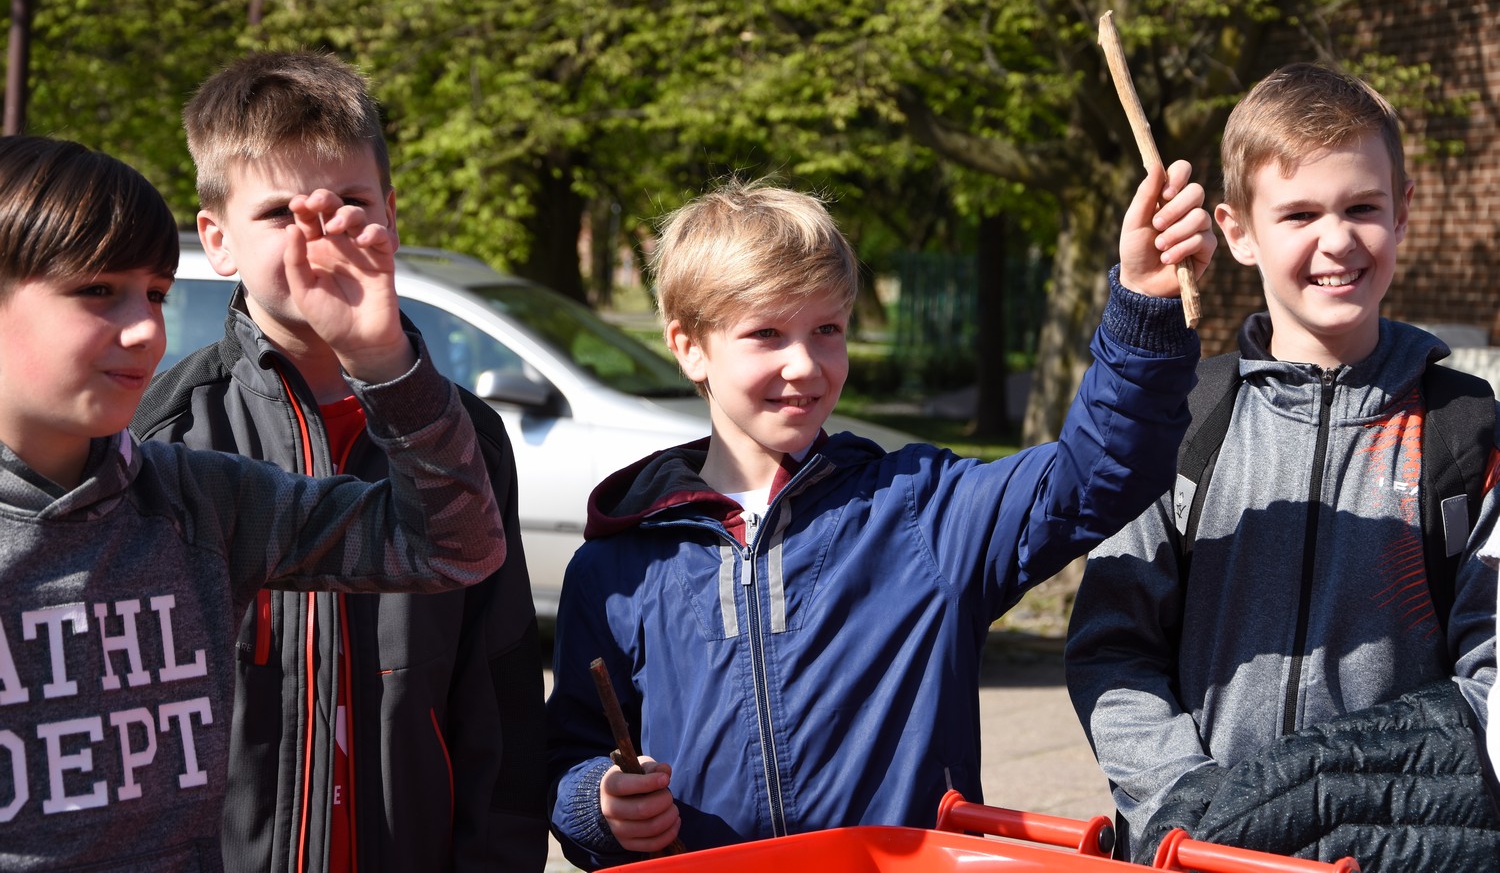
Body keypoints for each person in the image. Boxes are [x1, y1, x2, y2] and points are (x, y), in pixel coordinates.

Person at [544, 167, 1215, 865]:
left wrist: (1144, 306)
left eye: (827, 329)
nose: (805, 364)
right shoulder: (616, 568)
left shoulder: (921, 511)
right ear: (689, 347)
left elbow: (1097, 474)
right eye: (767, 333)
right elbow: (571, 757)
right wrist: (600, 804)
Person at [0, 134, 504, 870]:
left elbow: (457, 545)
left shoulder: (199, 500)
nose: (144, 330)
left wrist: (383, 358)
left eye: (157, 294)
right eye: (97, 291)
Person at [1065, 63, 1500, 870]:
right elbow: (1114, 648)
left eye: (1362, 207)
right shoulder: (1180, 423)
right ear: (1237, 231)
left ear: (1403, 213)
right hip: (1198, 853)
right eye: (1299, 213)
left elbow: (1493, 675)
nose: (1336, 240)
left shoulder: (1468, 430)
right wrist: (1184, 803)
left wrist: (1374, 804)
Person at [131, 51, 548, 873]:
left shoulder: (463, 436)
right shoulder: (164, 434)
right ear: (217, 241)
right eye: (282, 211)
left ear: (390, 216)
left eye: (349, 203)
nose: (318, 234)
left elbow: (498, 694)